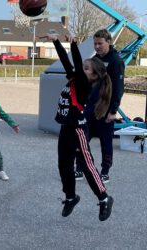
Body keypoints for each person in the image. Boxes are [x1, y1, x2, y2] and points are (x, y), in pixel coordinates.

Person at [48, 33, 114, 221]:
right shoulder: (74, 80)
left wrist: (74, 44)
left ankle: (104, 198)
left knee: (87, 166)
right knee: (64, 166)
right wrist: (55, 41)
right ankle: (71, 197)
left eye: (86, 68)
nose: (81, 69)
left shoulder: (85, 85)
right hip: (66, 129)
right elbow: (66, 60)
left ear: (92, 76)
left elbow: (76, 63)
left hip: (78, 131)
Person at [74, 29, 125, 183]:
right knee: (83, 139)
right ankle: (80, 168)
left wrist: (113, 110)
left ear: (108, 42)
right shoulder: (95, 59)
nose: (97, 46)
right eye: (95, 44)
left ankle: (105, 171)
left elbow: (118, 88)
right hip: (90, 108)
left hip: (105, 109)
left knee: (105, 142)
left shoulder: (116, 61)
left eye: (100, 43)